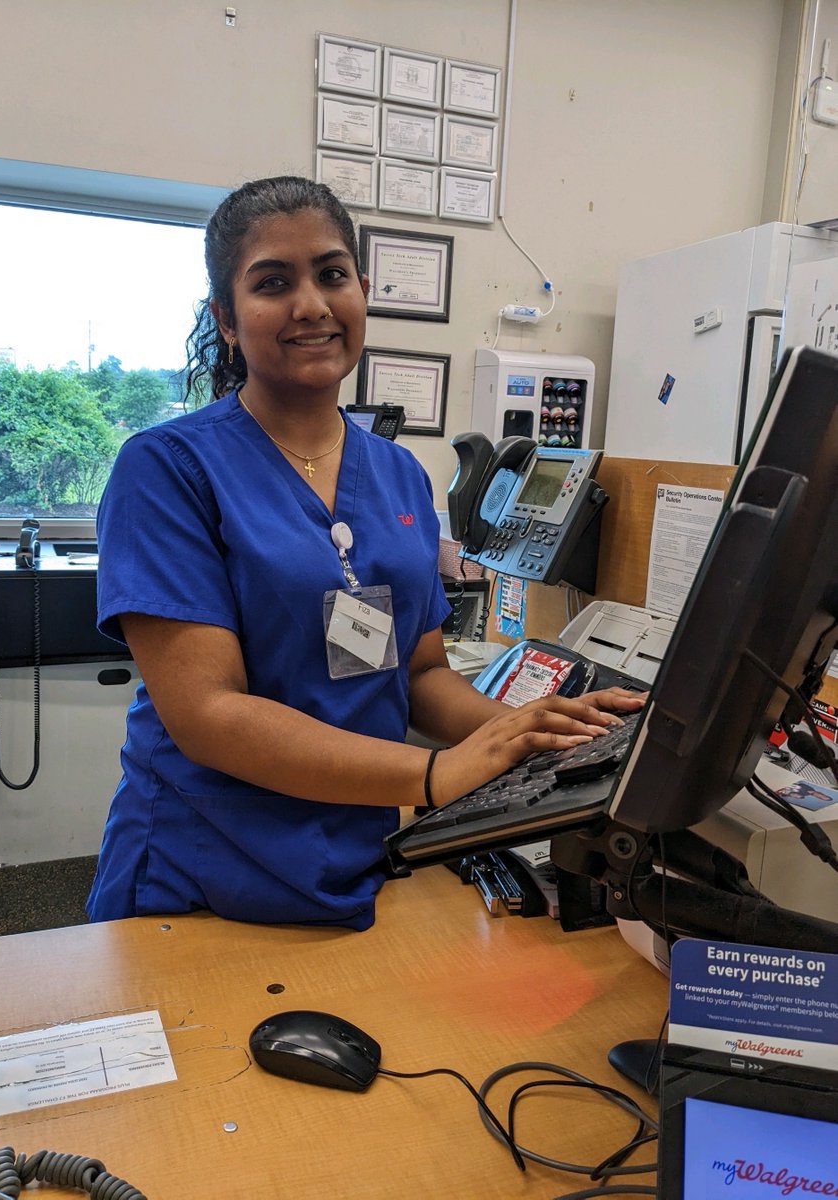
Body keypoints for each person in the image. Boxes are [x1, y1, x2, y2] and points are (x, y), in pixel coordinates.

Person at [86, 175, 643, 930]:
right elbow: (208, 714)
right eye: (273, 282)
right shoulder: (167, 469)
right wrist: (436, 774)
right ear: (225, 318)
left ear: (362, 291)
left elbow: (418, 674)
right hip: (201, 873)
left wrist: (531, 737)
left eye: (331, 274)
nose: (311, 303)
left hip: (359, 851)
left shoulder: (399, 474)